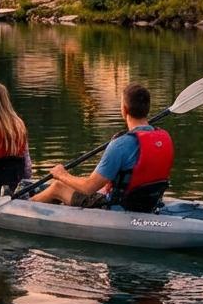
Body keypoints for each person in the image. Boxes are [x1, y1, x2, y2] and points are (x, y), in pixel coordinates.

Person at [31, 83, 172, 212]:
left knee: (58, 186)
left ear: (124, 109)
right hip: (149, 204)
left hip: (116, 208)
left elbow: (88, 187)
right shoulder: (164, 137)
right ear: (147, 108)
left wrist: (62, 174)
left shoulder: (120, 144)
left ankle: (22, 207)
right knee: (80, 182)